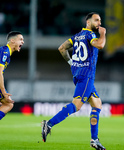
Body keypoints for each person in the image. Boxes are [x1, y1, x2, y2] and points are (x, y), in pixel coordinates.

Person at [41, 12, 106, 150]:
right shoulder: (91, 35)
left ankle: (94, 140)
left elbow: (61, 48)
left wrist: (72, 63)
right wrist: (103, 34)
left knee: (97, 104)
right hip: (87, 75)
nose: (99, 23)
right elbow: (100, 45)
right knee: (76, 106)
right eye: (96, 20)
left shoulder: (76, 37)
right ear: (88, 22)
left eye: (100, 20)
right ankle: (49, 124)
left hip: (78, 74)